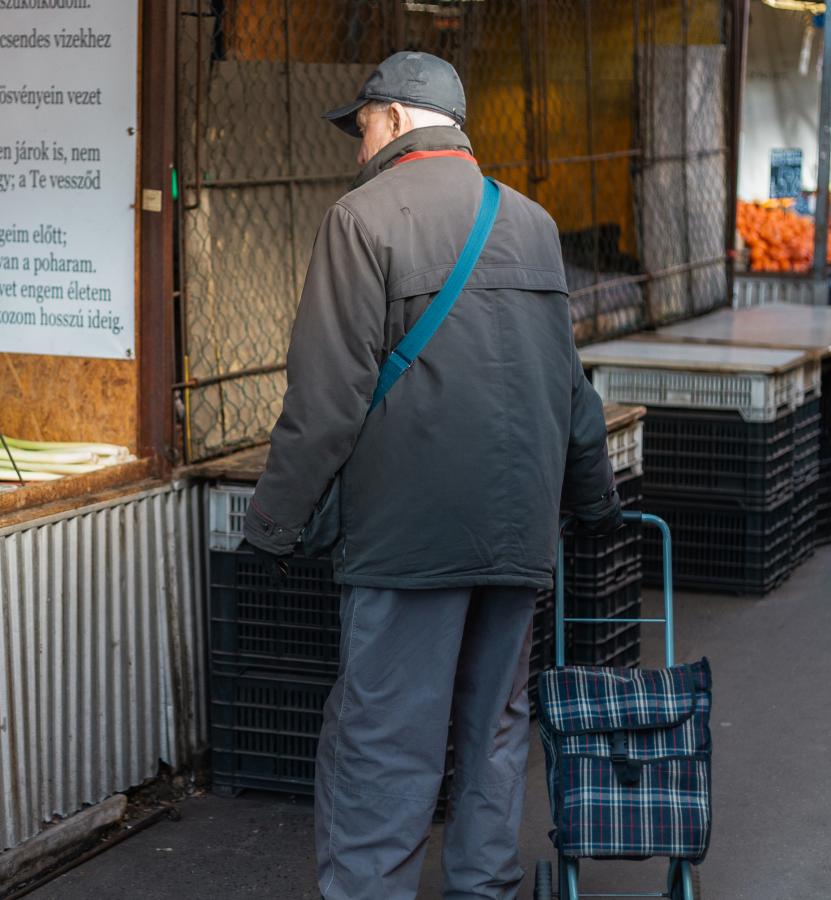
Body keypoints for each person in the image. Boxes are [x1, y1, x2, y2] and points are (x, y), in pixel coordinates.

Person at [238, 52, 622, 900]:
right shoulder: (533, 222)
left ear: (400, 118)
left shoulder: (363, 219)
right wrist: (596, 503)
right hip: (520, 529)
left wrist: (272, 525)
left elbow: (327, 397)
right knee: (494, 726)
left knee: (385, 735)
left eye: (363, 123)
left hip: (408, 536)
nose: (357, 144)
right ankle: (485, 886)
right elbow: (571, 387)